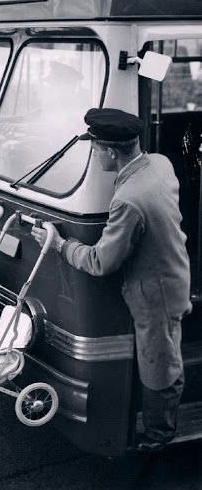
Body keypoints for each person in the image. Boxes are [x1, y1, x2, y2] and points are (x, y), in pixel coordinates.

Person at [32, 108, 191, 453]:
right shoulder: (159, 164)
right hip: (171, 275)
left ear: (109, 152)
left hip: (156, 294)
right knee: (159, 355)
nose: (93, 154)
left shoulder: (129, 200)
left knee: (159, 364)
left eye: (94, 149)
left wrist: (61, 244)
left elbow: (102, 261)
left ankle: (158, 436)